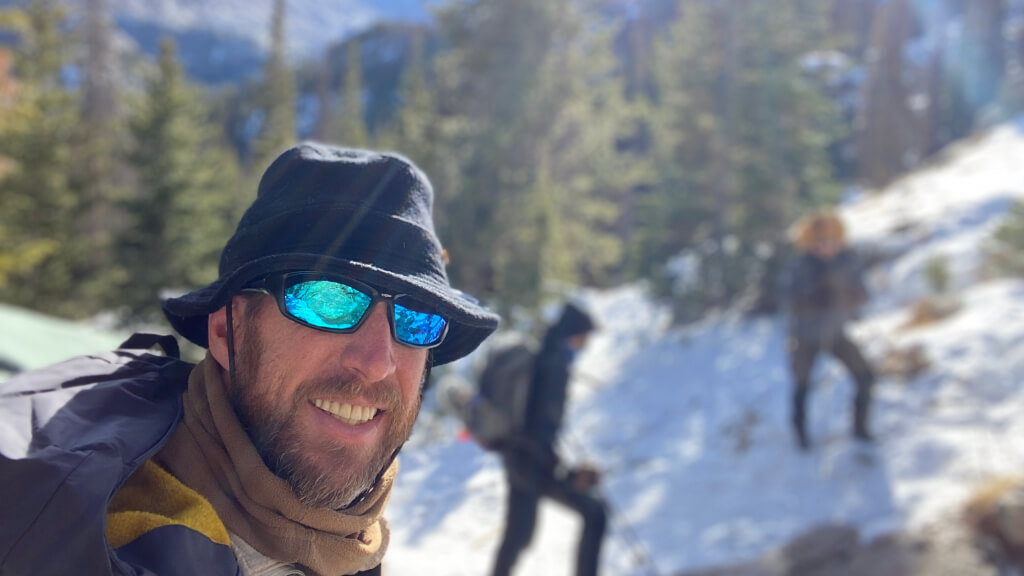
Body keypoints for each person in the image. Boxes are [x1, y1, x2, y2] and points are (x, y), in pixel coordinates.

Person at [0, 144, 500, 576]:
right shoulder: (99, 536)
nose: (377, 363)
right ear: (226, 330)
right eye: (328, 299)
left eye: (417, 318)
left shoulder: (346, 540)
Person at [492, 302, 607, 576]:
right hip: (532, 464)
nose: (585, 344)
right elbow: (541, 428)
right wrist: (566, 472)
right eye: (584, 337)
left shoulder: (545, 355)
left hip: (519, 459)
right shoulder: (555, 364)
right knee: (595, 513)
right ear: (575, 333)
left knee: (517, 537)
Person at [784, 210, 875, 450]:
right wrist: (814, 300)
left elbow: (863, 294)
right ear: (809, 243)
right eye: (819, 242)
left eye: (830, 240)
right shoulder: (800, 267)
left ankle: (860, 428)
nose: (826, 246)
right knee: (802, 385)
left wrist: (853, 295)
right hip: (804, 337)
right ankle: (800, 434)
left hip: (836, 334)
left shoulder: (846, 262)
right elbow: (789, 303)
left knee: (865, 376)